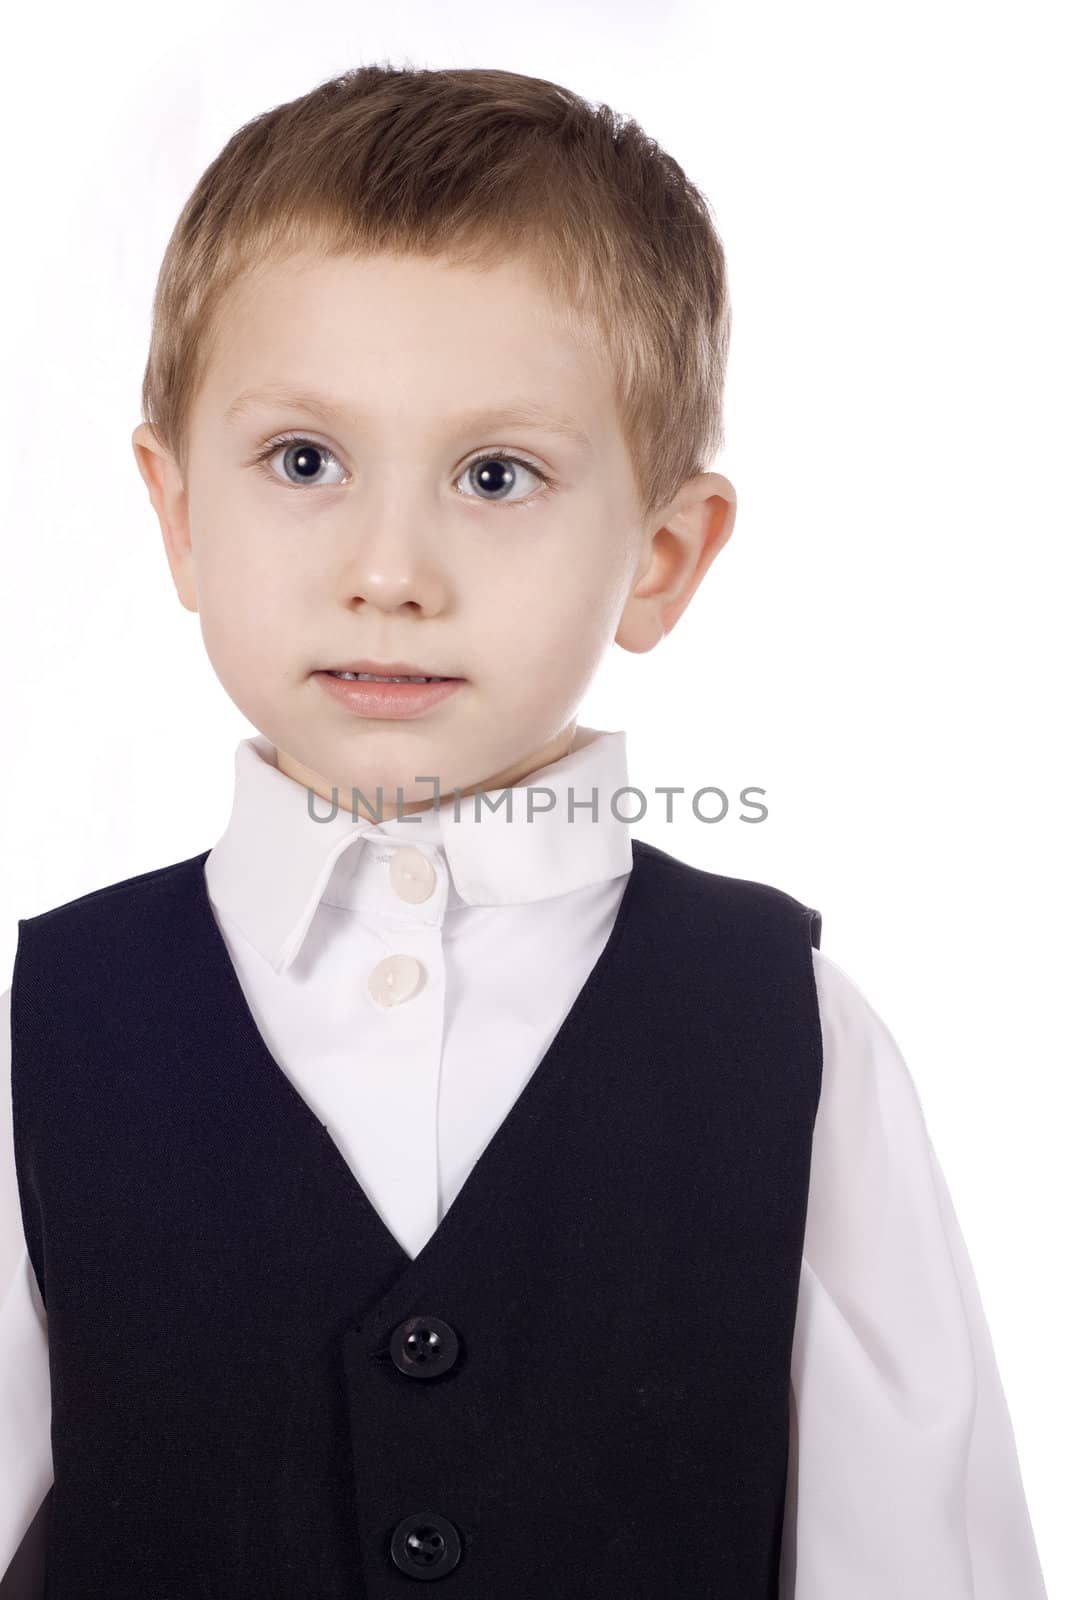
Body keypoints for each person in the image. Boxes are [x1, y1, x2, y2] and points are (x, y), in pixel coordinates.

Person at [0, 62, 1048, 1598]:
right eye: (305, 462)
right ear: (174, 514)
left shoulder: (792, 1033)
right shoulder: (46, 1029)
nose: (391, 569)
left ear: (664, 557)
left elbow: (918, 1564)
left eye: (497, 476)